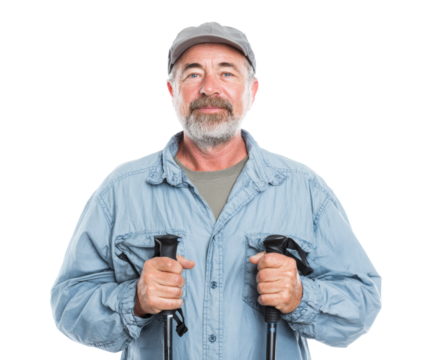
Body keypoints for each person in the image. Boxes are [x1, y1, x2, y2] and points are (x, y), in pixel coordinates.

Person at [49, 21, 383, 359]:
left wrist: (300, 297)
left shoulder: (306, 190)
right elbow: (67, 307)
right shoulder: (119, 192)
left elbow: (364, 304)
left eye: (227, 74)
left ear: (252, 91)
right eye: (193, 74)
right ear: (171, 92)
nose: (210, 88)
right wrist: (135, 301)